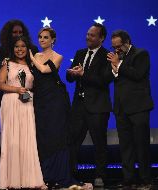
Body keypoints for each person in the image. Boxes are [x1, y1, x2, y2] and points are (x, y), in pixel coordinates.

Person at [30, 27, 85, 189]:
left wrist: (31, 57)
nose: (42, 40)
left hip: (55, 100)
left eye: (45, 37)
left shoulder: (57, 57)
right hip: (40, 100)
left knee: (56, 135)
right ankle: (45, 175)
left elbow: (44, 69)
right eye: (40, 37)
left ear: (53, 39)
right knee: (43, 136)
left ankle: (58, 174)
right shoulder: (36, 55)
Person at [66, 23, 112, 187]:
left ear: (101, 38)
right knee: (72, 141)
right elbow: (70, 78)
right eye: (87, 34)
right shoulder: (80, 53)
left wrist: (83, 74)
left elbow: (104, 80)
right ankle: (71, 174)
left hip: (98, 107)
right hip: (79, 106)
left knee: (99, 142)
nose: (88, 37)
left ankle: (100, 175)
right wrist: (71, 73)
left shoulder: (107, 56)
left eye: (92, 35)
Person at [107, 30, 154, 189]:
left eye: (118, 46)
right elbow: (116, 78)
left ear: (127, 42)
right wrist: (114, 68)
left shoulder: (141, 54)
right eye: (114, 47)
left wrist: (118, 64)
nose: (116, 50)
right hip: (121, 109)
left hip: (138, 108)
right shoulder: (117, 58)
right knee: (126, 147)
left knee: (141, 145)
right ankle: (128, 179)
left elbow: (138, 75)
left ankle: (145, 179)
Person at [0, 36, 46, 189]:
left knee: (27, 140)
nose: (20, 49)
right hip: (11, 102)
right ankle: (11, 181)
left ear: (28, 48)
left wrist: (25, 92)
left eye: (23, 46)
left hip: (27, 103)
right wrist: (17, 89)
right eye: (17, 46)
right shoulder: (7, 64)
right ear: (12, 49)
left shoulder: (32, 65)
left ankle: (30, 180)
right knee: (11, 141)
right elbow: (0, 84)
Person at [0, 19, 39, 108]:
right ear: (8, 34)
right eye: (14, 32)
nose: (18, 34)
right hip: (8, 100)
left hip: (30, 99)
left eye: (20, 32)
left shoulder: (32, 50)